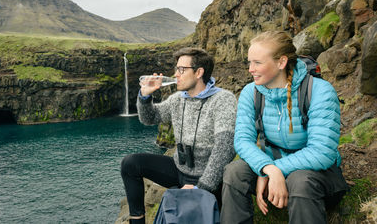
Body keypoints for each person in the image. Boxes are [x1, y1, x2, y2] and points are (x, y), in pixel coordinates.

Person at [221, 31, 348, 224]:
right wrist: (267, 168)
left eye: (257, 63)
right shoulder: (251, 92)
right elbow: (242, 141)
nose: (250, 69)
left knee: (300, 181)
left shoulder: (319, 91)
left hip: (316, 177)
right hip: (272, 169)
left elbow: (322, 152)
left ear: (281, 62)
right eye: (249, 62)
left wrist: (275, 169)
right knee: (234, 172)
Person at [121, 47, 237, 224]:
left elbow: (225, 147)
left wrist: (201, 187)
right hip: (179, 169)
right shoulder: (178, 99)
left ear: (199, 72)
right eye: (176, 69)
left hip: (209, 178)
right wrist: (145, 97)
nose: (175, 75)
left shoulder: (223, 100)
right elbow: (149, 118)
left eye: (181, 70)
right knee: (130, 164)